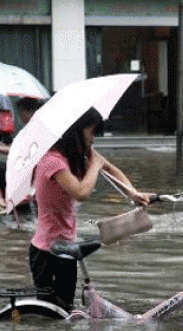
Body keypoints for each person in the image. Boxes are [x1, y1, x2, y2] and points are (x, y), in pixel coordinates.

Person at [29, 107, 152, 312]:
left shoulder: (75, 156)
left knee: (66, 312)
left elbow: (111, 170)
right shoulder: (52, 160)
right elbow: (81, 193)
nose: (94, 137)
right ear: (76, 130)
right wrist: (95, 165)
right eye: (91, 131)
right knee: (51, 315)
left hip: (66, 246)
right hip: (47, 252)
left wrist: (134, 193)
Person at [0, 97, 44, 215]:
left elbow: (18, 151)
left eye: (21, 112)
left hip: (23, 174)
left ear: (28, 112)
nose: (19, 116)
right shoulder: (37, 128)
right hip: (27, 173)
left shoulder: (34, 130)